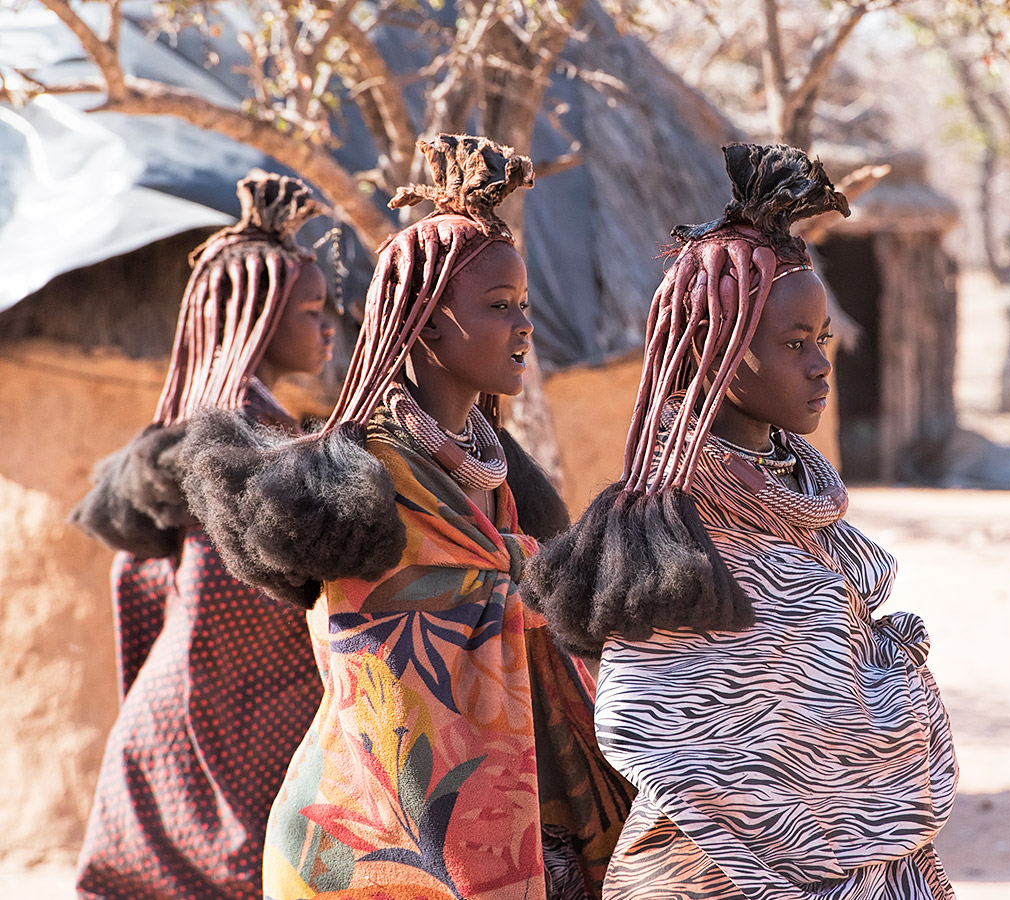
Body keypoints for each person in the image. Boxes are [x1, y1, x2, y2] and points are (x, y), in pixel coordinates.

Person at [181, 134, 632, 900]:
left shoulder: (497, 475)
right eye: (498, 307)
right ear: (423, 324)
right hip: (378, 851)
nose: (525, 325)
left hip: (525, 824)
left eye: (524, 304)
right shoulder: (364, 487)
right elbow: (383, 686)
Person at [527, 142, 958, 900]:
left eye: (821, 339)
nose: (822, 364)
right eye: (794, 344)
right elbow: (645, 716)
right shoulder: (677, 544)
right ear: (713, 352)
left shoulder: (808, 518)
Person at [70, 171, 334, 900]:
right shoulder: (246, 447)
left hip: (172, 744)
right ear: (259, 316)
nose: (328, 326)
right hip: (216, 755)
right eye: (312, 310)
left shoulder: (206, 429)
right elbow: (242, 611)